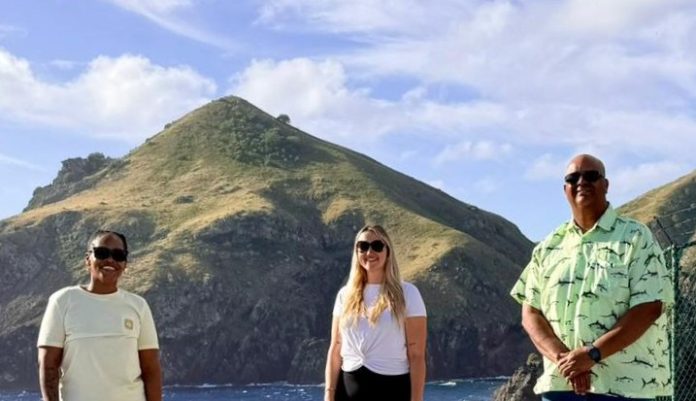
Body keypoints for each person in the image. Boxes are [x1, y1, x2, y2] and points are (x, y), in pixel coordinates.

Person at [511, 154, 674, 401]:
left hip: (624, 390)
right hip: (561, 388)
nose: (581, 182)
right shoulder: (548, 247)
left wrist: (592, 355)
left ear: (605, 185)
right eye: (573, 178)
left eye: (591, 176)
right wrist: (567, 362)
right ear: (564, 189)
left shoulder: (636, 238)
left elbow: (649, 306)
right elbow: (530, 313)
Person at [37, 230, 162, 401]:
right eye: (102, 253)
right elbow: (48, 365)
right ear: (88, 260)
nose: (110, 260)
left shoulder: (138, 306)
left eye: (118, 255)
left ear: (125, 264)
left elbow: (151, 369)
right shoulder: (63, 301)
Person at [324, 225, 427, 401]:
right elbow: (335, 348)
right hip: (347, 390)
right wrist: (329, 394)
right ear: (356, 252)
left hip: (392, 389)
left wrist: (416, 399)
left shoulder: (408, 293)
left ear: (388, 251)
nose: (369, 252)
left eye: (377, 246)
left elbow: (416, 355)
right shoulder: (344, 295)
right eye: (363, 246)